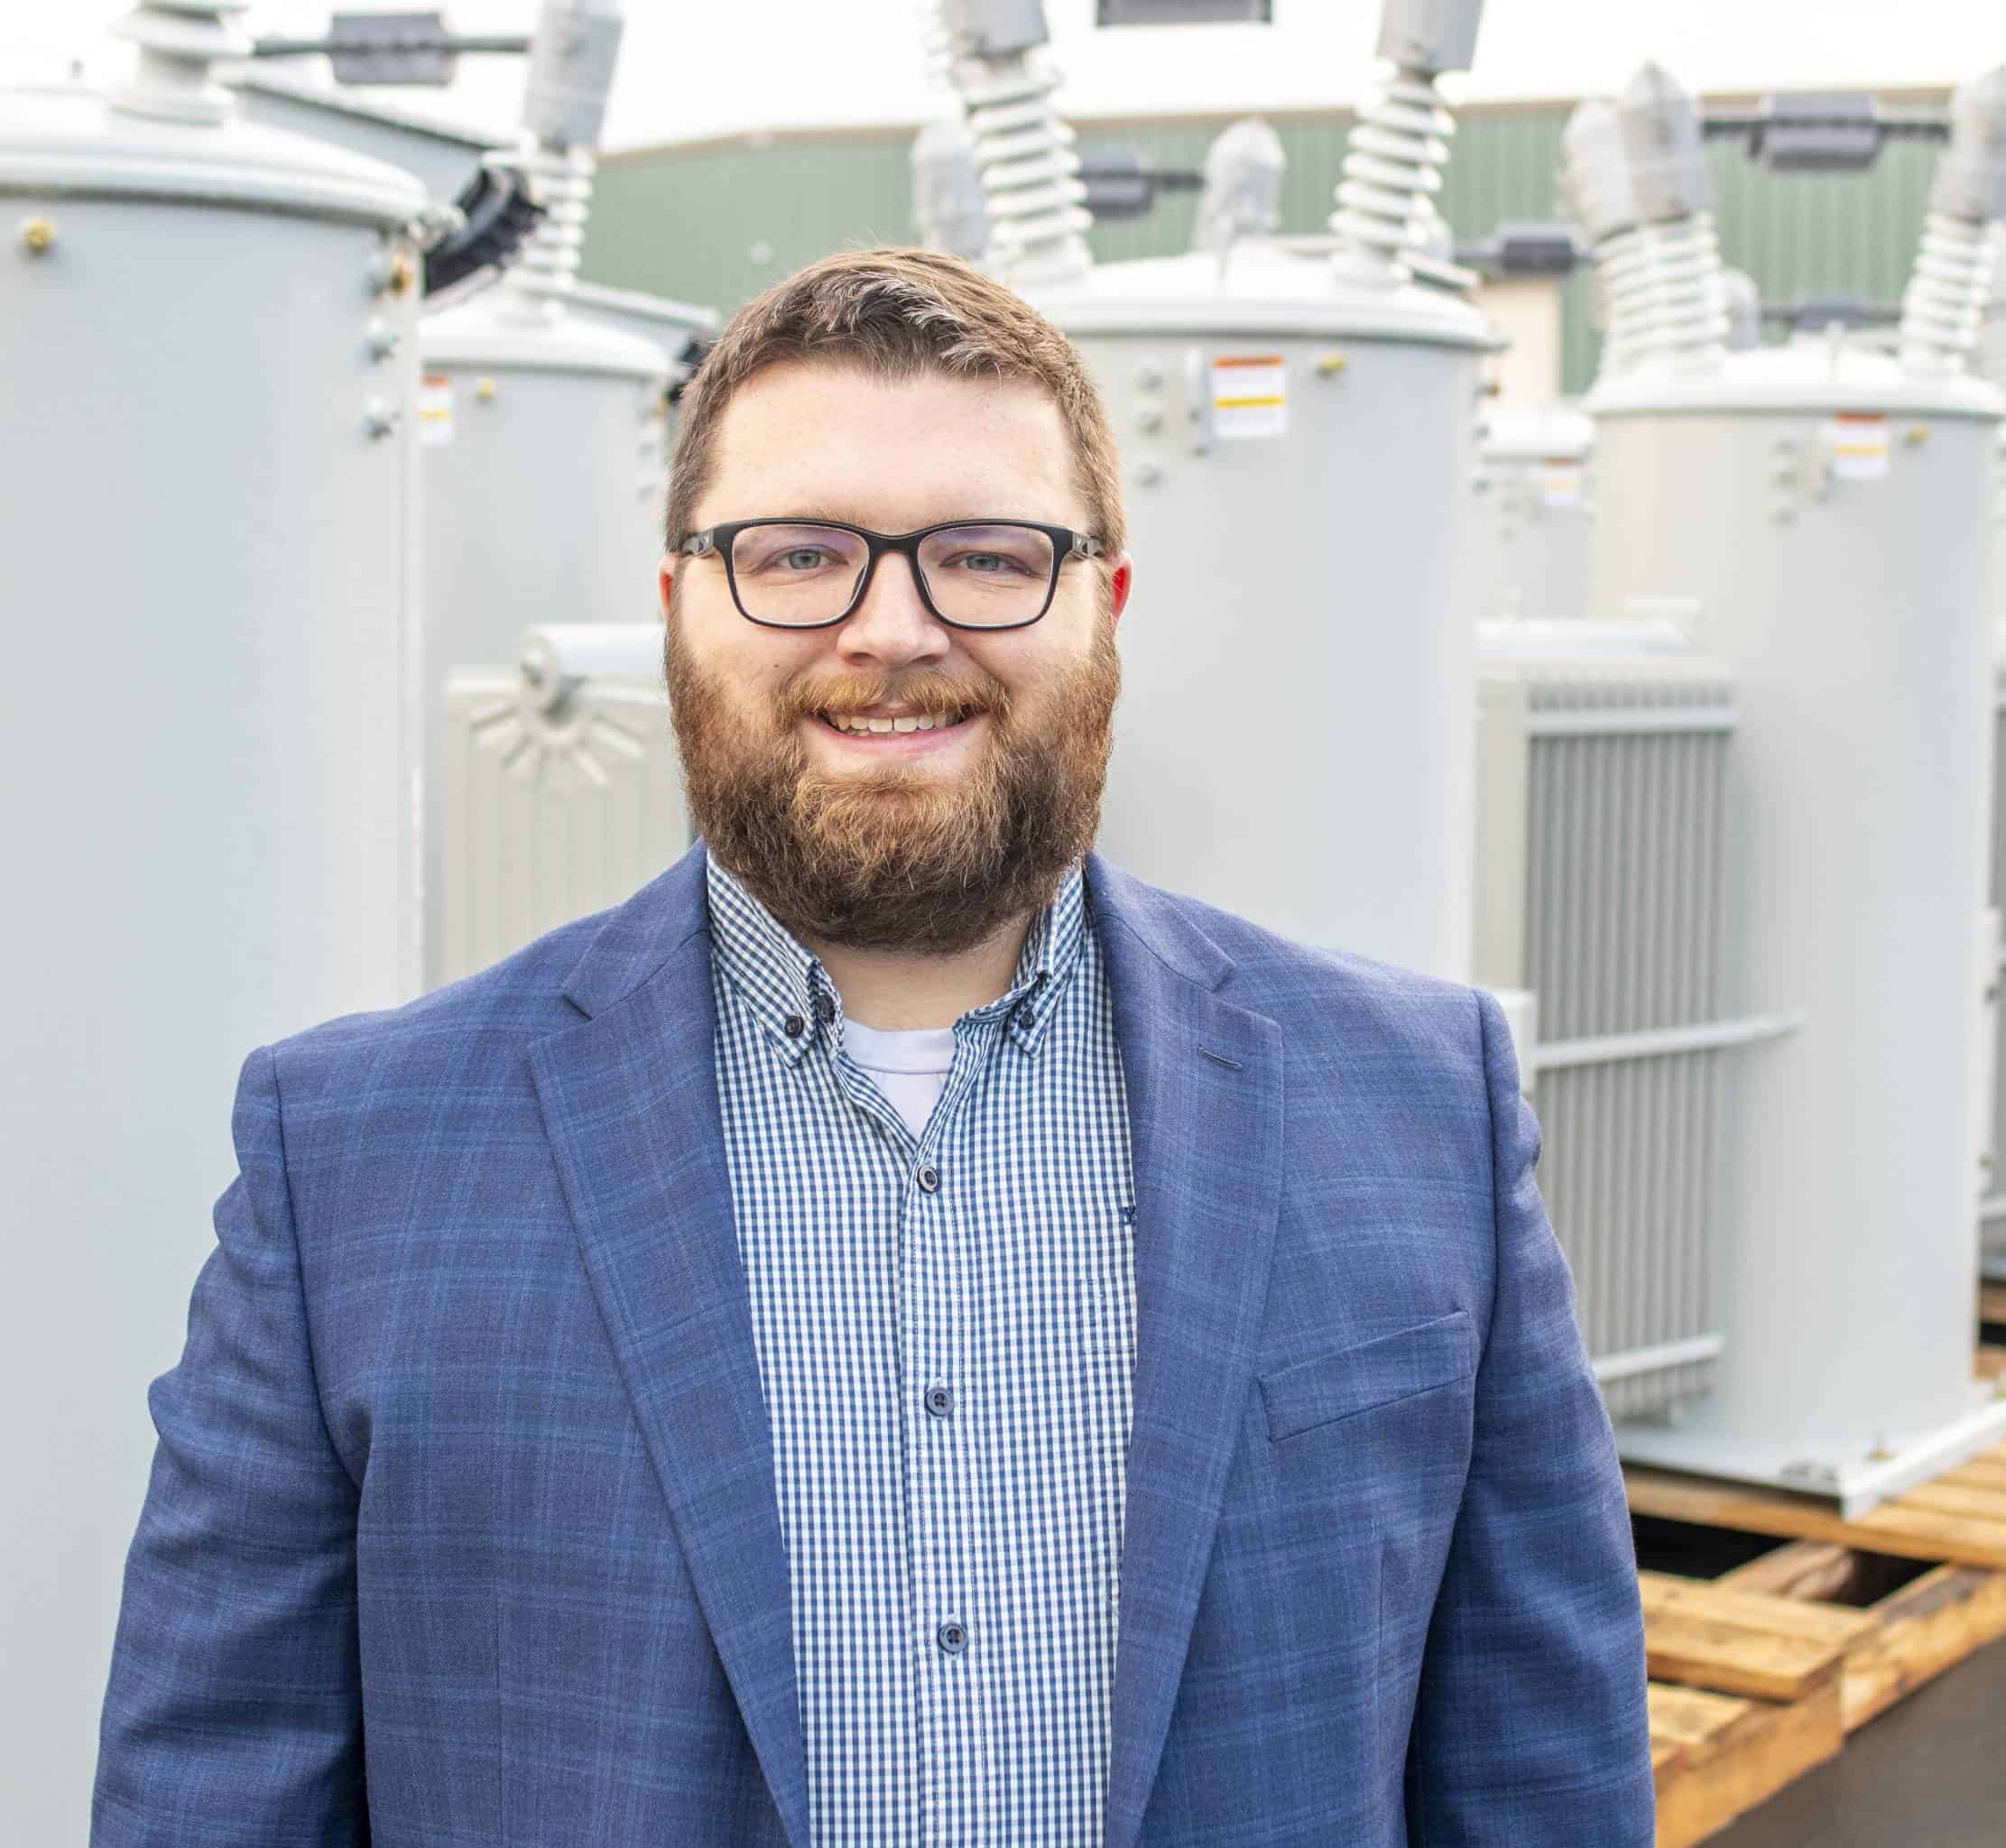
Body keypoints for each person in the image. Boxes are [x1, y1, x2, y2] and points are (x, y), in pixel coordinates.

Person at [91, 248, 1652, 1845]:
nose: (892, 629)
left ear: (1105, 607)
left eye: (986, 557)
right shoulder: (356, 1158)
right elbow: (213, 1796)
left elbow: (1546, 1784)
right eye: (798, 554)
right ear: (679, 609)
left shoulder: (1414, 1109)